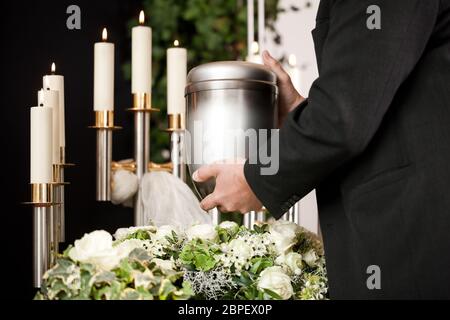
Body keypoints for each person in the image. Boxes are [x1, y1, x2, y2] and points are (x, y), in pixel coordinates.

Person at [192, 0, 450, 299]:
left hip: (414, 228)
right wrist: (303, 112)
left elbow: (344, 116)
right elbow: (366, 96)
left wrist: (256, 175)